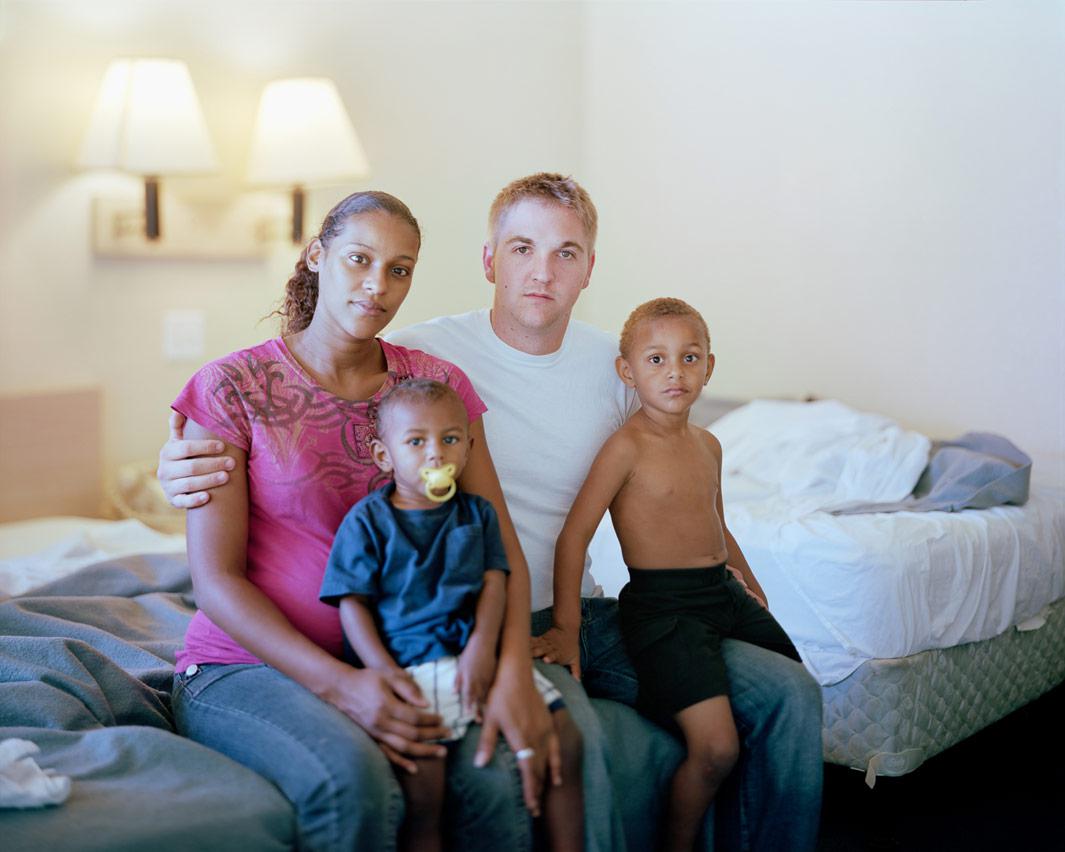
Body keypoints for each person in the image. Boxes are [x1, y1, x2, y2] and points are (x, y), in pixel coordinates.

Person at [159, 173, 824, 851]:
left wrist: (730, 576)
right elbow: (220, 559)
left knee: (786, 693)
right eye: (521, 248)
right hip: (393, 635)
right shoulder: (360, 369)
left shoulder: (588, 370)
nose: (375, 285)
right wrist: (172, 463)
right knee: (552, 743)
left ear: (589, 268)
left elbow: (676, 467)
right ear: (487, 260)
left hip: (540, 621)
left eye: (565, 252)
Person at [167, 190, 560, 852]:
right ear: (317, 256)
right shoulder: (230, 387)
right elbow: (215, 581)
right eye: (359, 259)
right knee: (351, 780)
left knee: (497, 779)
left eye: (400, 269)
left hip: (407, 658)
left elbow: (498, 544)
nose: (378, 286)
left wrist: (510, 667)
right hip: (246, 666)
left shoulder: (436, 388)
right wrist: (344, 687)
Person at [553, 298, 803, 851]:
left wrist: (751, 583)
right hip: (663, 608)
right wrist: (567, 626)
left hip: (721, 593)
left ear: (709, 367)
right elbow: (573, 537)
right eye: (658, 359)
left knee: (793, 690)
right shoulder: (625, 448)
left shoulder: (708, 444)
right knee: (714, 748)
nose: (676, 373)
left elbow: (719, 523)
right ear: (628, 371)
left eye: (690, 358)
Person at [320, 378, 583, 852]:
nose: (435, 454)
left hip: (471, 651)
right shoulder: (368, 521)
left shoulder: (476, 514)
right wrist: (382, 670)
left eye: (450, 439)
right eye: (416, 441)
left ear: (468, 447)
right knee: (426, 790)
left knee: (567, 736)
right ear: (384, 456)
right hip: (412, 664)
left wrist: (485, 646)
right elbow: (352, 605)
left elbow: (494, 581)